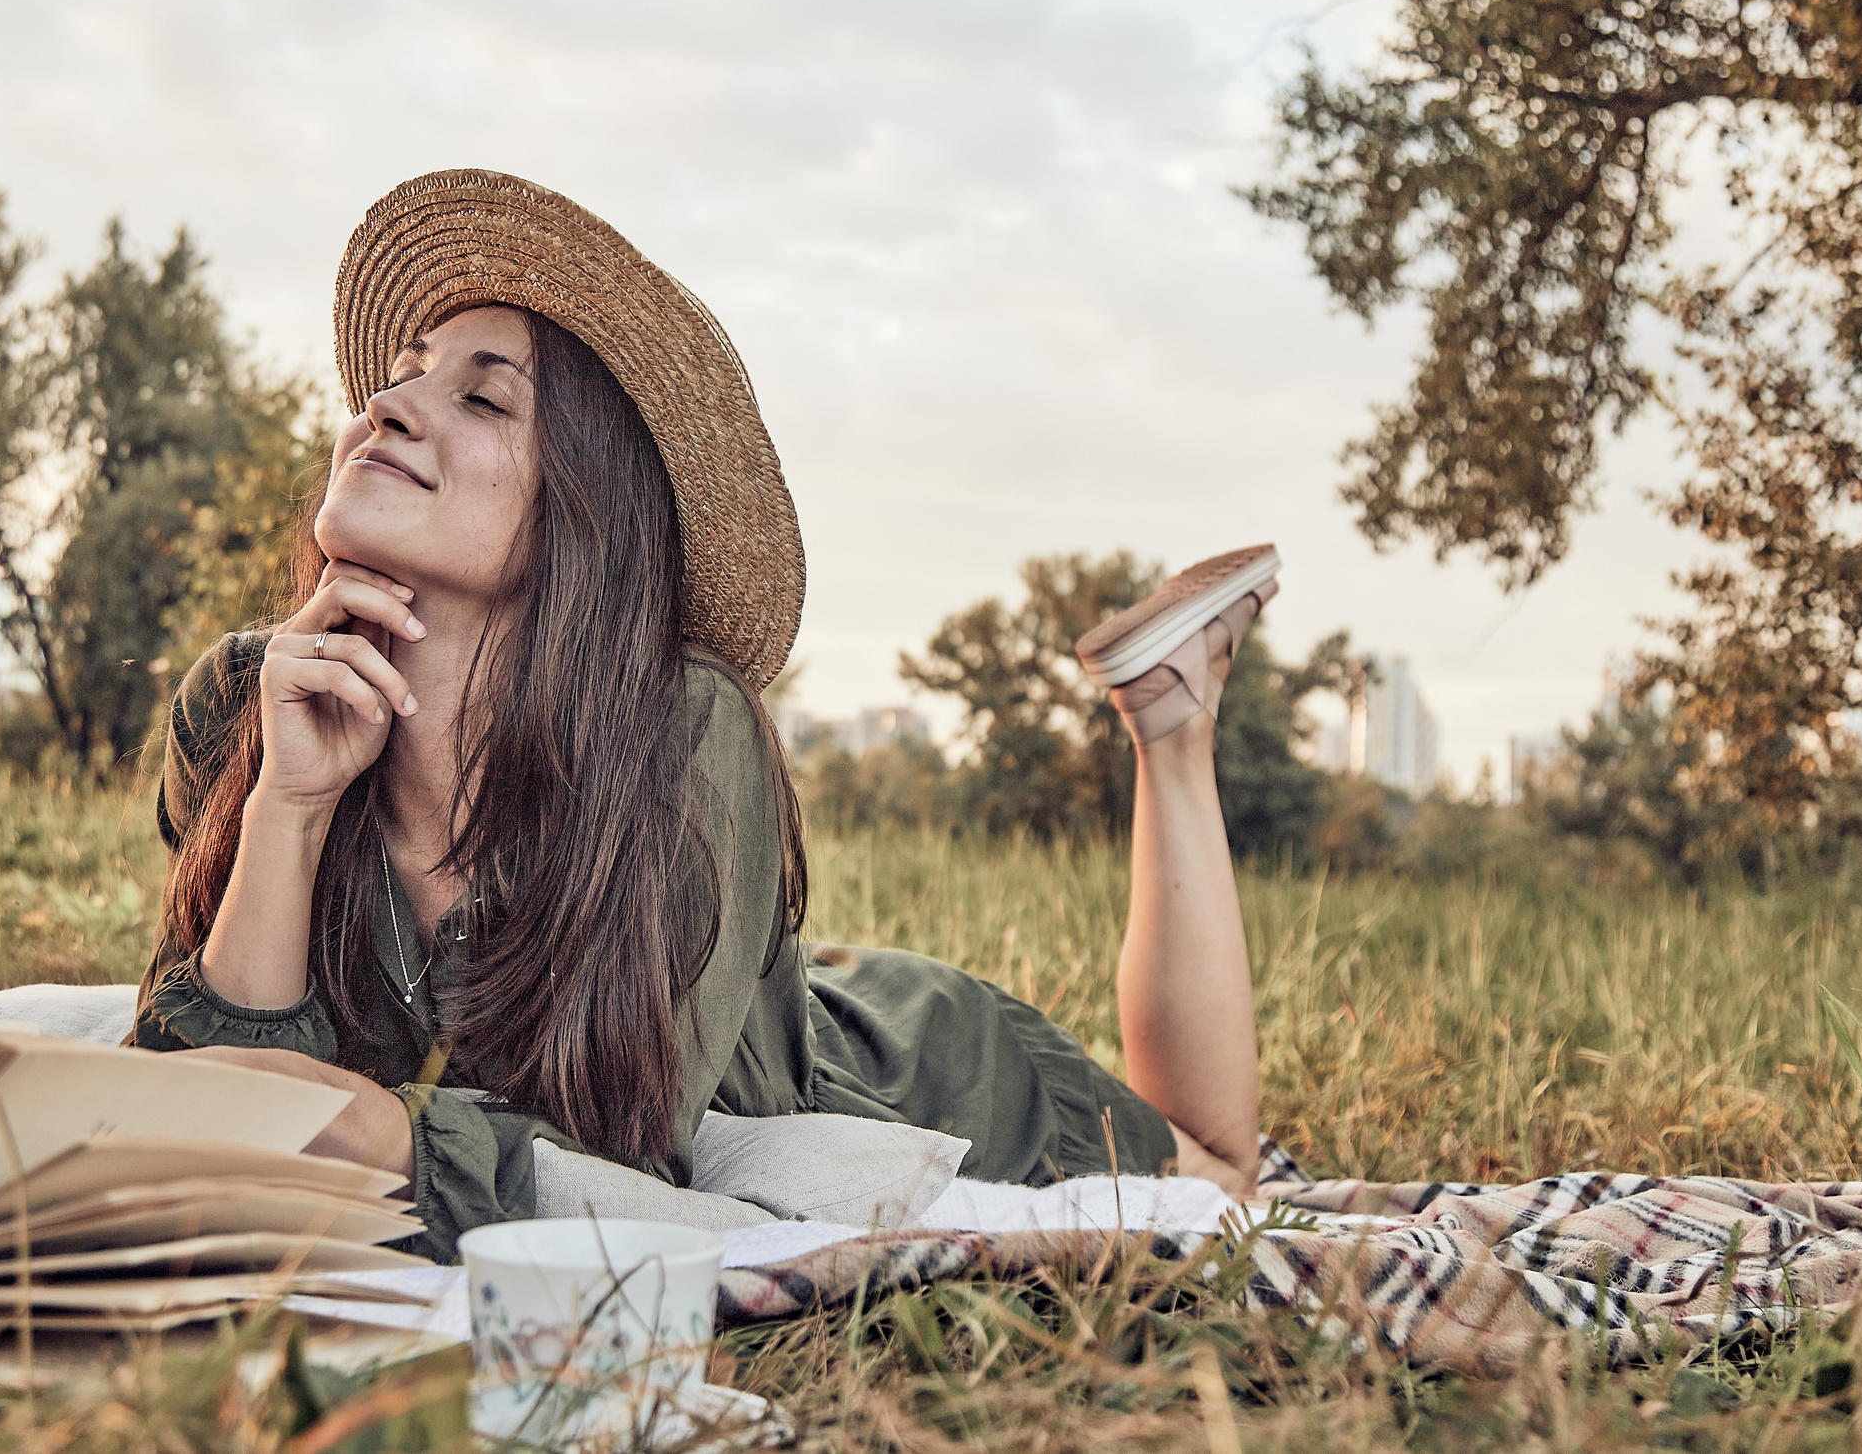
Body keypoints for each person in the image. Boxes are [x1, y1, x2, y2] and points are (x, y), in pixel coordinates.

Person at [132, 171, 1280, 1261]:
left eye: (479, 396)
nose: (386, 404)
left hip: (905, 1065)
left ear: (584, 514)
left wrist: (360, 1128)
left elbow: (618, 1158)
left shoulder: (683, 732)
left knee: (1221, 1172)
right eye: (404, 372)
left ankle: (1167, 727)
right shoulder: (245, 706)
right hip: (738, 973)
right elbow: (194, 1114)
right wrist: (289, 806)